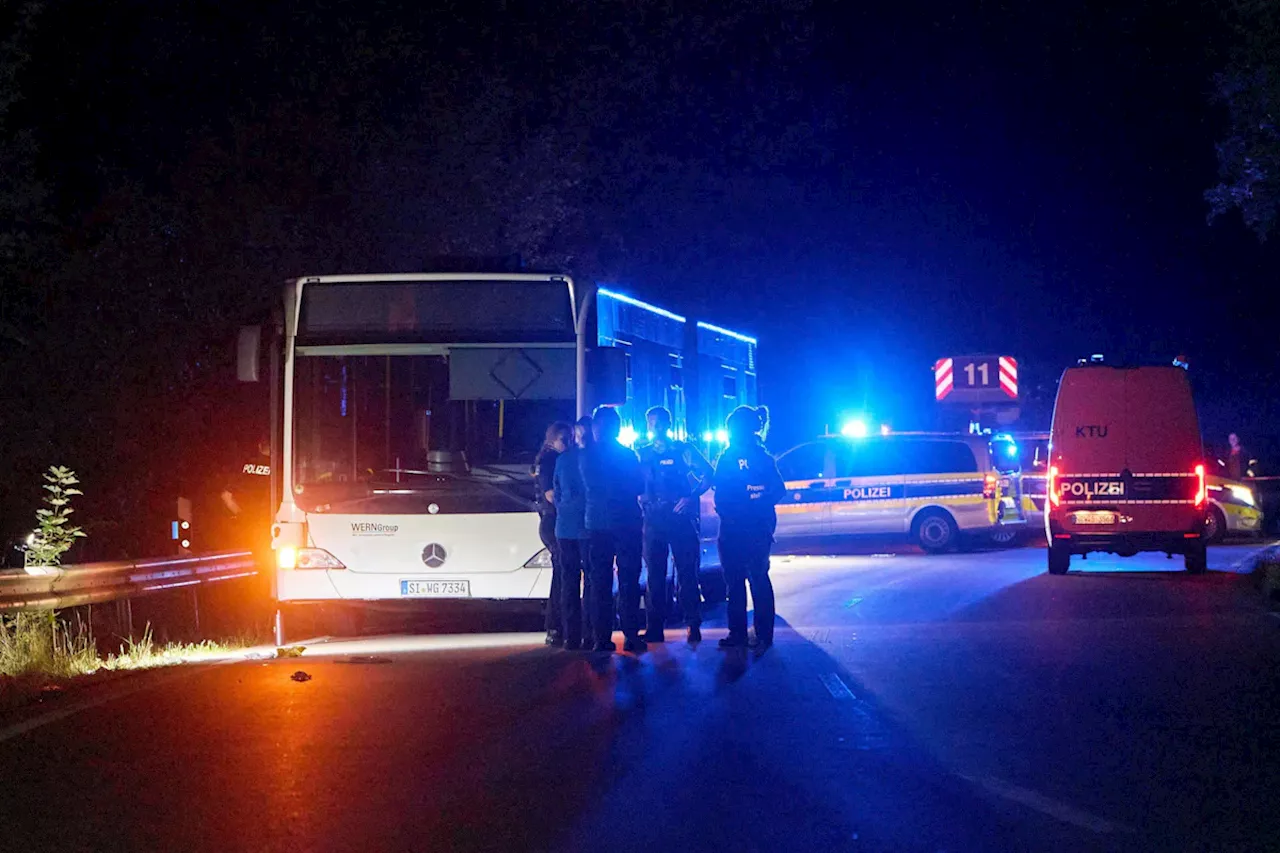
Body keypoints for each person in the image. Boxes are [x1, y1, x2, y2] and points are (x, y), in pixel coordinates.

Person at [638, 406, 713, 644]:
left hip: (679, 517)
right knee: (655, 576)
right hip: (653, 519)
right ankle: (655, 627)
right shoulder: (642, 453)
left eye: (660, 423)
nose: (656, 427)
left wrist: (691, 496)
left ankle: (692, 623)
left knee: (686, 573)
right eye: (652, 423)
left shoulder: (684, 450)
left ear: (668, 425)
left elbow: (708, 473)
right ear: (647, 425)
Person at [713, 406, 785, 651]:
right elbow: (721, 492)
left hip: (744, 529)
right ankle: (753, 634)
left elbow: (776, 489)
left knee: (744, 581)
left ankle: (746, 634)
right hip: (746, 528)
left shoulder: (737, 457)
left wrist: (753, 503)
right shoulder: (758, 457)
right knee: (751, 580)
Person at [580, 405, 646, 654]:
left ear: (596, 427)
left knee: (599, 582)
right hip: (626, 522)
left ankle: (600, 638)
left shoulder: (584, 456)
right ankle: (630, 635)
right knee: (629, 580)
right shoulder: (627, 455)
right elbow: (639, 486)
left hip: (596, 523)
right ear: (617, 428)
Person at [553, 415, 594, 650]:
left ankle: (571, 636)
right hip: (588, 528)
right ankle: (590, 634)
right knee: (591, 581)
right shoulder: (595, 460)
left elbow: (556, 493)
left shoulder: (562, 460)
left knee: (568, 582)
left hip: (564, 527)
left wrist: (564, 508)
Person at [534, 422, 572, 646]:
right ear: (552, 440)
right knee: (561, 575)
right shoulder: (550, 460)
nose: (567, 444)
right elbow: (551, 495)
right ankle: (555, 626)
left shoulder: (547, 459)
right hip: (554, 521)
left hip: (552, 522)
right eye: (563, 440)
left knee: (562, 574)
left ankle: (557, 626)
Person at [220, 436, 273, 552]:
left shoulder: (244, 465)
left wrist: (243, 516)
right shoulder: (279, 468)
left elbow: (226, 496)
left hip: (245, 528)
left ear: (259, 446)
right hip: (269, 527)